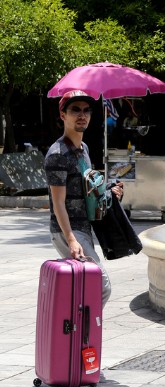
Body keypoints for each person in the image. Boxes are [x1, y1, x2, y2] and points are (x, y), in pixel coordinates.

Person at [44, 90, 124, 309]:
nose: (82, 115)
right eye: (75, 110)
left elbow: (86, 186)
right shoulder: (57, 154)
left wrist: (109, 190)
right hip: (67, 230)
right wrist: (71, 239)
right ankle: (80, 335)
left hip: (84, 227)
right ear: (63, 115)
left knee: (87, 286)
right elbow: (58, 202)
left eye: (86, 110)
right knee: (100, 286)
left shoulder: (83, 149)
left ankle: (77, 335)